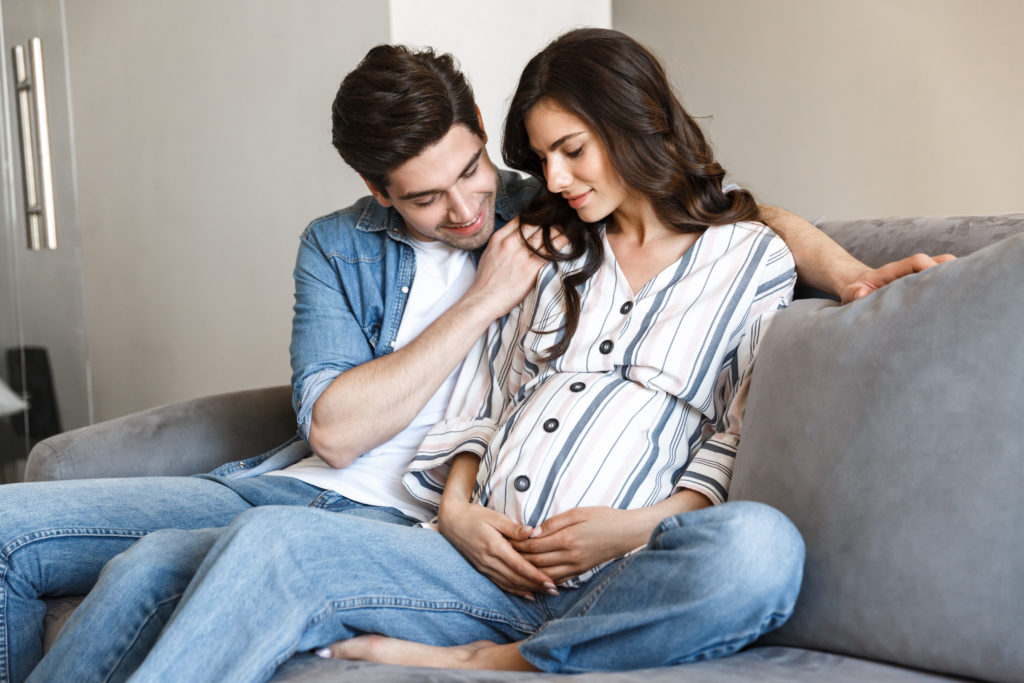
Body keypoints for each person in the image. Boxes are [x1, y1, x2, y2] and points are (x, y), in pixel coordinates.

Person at [15, 38, 945, 683]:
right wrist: (460, 507)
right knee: (239, 547)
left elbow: (729, 383)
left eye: (566, 153)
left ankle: (499, 660)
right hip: (434, 545)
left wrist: (852, 272)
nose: (544, 183)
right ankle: (497, 637)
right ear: (379, 193)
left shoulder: (688, 242)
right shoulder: (527, 248)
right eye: (545, 159)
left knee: (760, 548)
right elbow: (460, 409)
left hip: (605, 563)